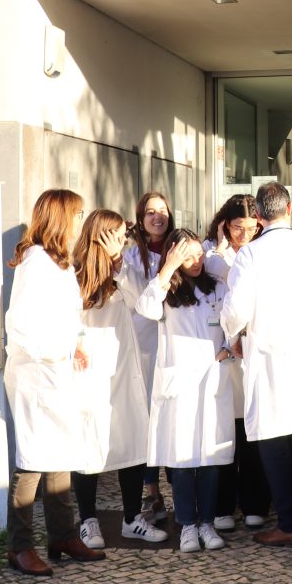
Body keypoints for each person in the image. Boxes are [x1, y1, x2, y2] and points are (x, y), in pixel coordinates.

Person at [2, 189, 105, 576]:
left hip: (57, 370)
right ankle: (19, 546)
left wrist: (76, 342)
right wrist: (58, 350)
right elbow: (20, 325)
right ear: (60, 217)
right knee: (32, 459)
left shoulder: (58, 263)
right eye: (76, 214)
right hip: (35, 373)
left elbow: (67, 314)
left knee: (60, 452)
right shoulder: (35, 263)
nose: (80, 221)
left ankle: (62, 535)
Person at [220, 182, 292, 547]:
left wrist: (231, 332)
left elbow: (236, 309)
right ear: (290, 208)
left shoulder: (251, 253)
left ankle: (291, 523)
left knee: (272, 439)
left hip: (269, 354)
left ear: (259, 215)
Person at [70, 209, 167, 550]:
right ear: (100, 236)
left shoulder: (123, 271)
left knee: (133, 440)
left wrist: (119, 265)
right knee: (89, 444)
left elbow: (145, 304)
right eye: (117, 234)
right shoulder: (74, 273)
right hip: (89, 371)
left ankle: (131, 518)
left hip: (124, 367)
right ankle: (88, 520)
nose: (123, 240)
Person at [137, 229, 234, 552]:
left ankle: (207, 522)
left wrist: (229, 348)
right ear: (173, 256)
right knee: (181, 458)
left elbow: (233, 323)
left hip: (212, 379)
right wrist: (167, 270)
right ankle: (188, 525)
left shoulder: (216, 285)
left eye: (198, 254)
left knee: (210, 456)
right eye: (187, 256)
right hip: (179, 384)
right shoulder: (165, 290)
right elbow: (145, 308)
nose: (195, 261)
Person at [202, 194, 271, 530]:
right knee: (223, 433)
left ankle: (256, 502)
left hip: (250, 354)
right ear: (223, 225)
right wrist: (217, 254)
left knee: (252, 432)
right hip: (219, 355)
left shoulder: (262, 250)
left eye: (251, 227)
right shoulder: (208, 253)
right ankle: (222, 505)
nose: (244, 234)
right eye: (237, 227)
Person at [122, 191, 174, 525]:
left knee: (173, 417)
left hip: (176, 345)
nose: (157, 217)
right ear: (141, 219)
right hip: (143, 346)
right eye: (150, 212)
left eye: (162, 211)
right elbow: (137, 301)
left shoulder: (180, 248)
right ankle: (151, 491)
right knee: (148, 419)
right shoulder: (130, 257)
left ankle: (181, 491)